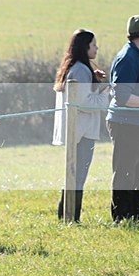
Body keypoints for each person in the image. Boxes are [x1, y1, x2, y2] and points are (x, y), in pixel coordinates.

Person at [52, 29, 110, 221]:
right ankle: (70, 217)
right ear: (85, 48)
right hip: (81, 132)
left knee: (74, 175)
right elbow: (85, 103)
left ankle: (67, 216)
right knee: (77, 177)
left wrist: (95, 80)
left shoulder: (77, 68)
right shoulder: (80, 70)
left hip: (77, 130)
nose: (97, 48)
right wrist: (107, 92)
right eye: (94, 45)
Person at [106, 15, 139, 221]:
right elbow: (123, 98)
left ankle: (138, 216)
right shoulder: (128, 58)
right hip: (126, 124)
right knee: (126, 172)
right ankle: (121, 218)